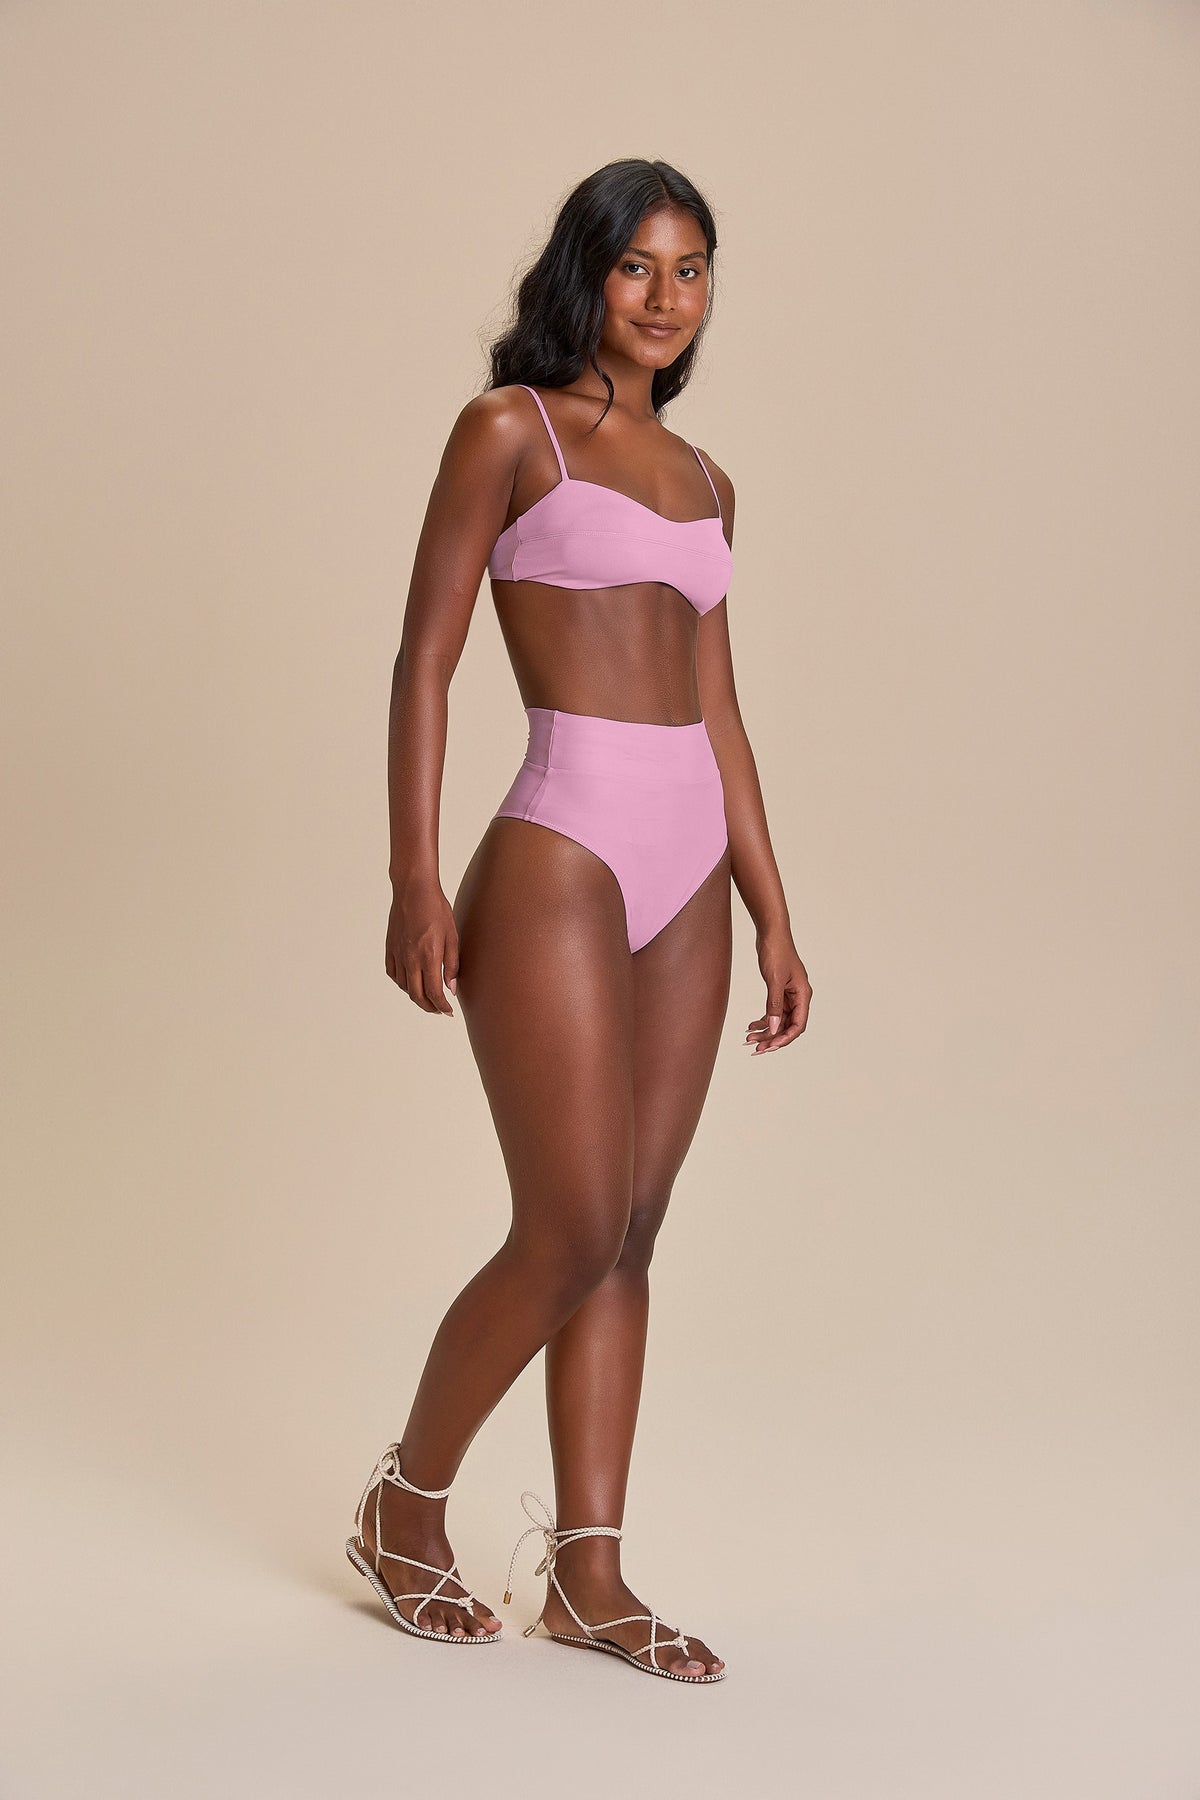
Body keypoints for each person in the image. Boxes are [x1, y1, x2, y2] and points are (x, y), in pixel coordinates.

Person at [345, 158, 812, 1684]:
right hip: (562, 842)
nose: (667, 298)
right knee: (567, 1225)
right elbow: (425, 657)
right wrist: (414, 876)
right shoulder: (511, 430)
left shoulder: (710, 480)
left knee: (632, 1229)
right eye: (637, 268)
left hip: (690, 863)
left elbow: (719, 709)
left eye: (693, 269)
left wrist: (773, 908)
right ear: (585, 274)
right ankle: (407, 1508)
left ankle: (590, 1578)